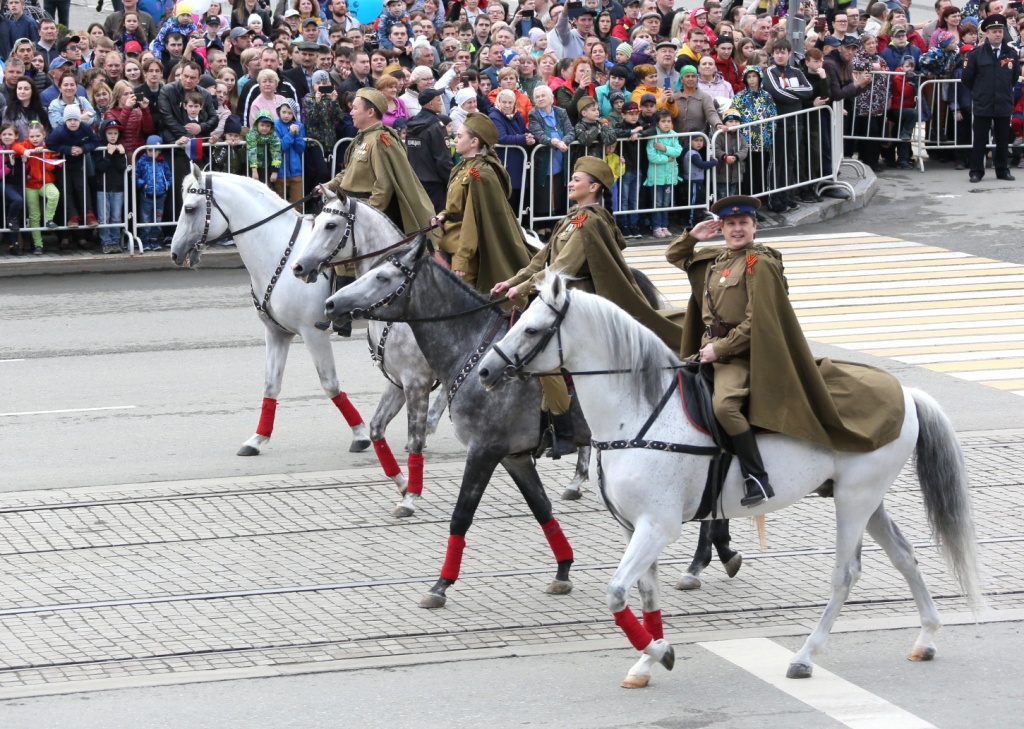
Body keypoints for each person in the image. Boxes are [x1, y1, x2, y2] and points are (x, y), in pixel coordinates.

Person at [492, 156, 684, 456]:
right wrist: (512, 281)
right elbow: (541, 260)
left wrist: (523, 288)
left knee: (541, 356)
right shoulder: (571, 218)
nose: (570, 182)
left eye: (577, 179)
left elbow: (563, 266)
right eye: (571, 178)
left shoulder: (590, 221)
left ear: (594, 187)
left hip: (578, 301)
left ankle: (562, 427)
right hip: (556, 297)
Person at [431, 111, 534, 292]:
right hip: (450, 239)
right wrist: (443, 215)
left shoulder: (480, 174)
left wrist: (462, 259)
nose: (455, 138)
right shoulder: (464, 165)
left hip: (465, 249)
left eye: (460, 135)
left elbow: (472, 219)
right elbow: (456, 206)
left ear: (474, 142)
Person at [963, 13, 1020, 182]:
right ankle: (976, 171)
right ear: (986, 34)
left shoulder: (1011, 53)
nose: (997, 34)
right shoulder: (976, 54)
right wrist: (981, 91)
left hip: (1003, 102)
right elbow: (967, 78)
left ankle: (1002, 170)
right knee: (980, 140)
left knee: (1003, 139)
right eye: (994, 31)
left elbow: (1014, 77)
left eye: (1000, 31)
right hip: (983, 102)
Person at [13, 122, 61, 255]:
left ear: (44, 135)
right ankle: (38, 245)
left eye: (37, 136)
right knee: (34, 216)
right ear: (28, 136)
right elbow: (14, 145)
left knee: (54, 194)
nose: (35, 139)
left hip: (46, 182)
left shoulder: (48, 146)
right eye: (32, 136)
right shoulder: (27, 144)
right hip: (30, 185)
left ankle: (48, 219)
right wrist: (25, 151)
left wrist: (43, 154)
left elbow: (51, 167)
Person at [405, 88, 453, 212]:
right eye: (439, 100)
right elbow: (443, 159)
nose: (441, 103)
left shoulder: (411, 124)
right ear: (431, 103)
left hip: (416, 182)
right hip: (435, 183)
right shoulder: (436, 126)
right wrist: (451, 181)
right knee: (436, 222)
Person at [644, 107, 682, 238]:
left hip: (669, 176)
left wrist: (664, 148)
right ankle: (656, 226)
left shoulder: (674, 134)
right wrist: (667, 158)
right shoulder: (653, 137)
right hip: (656, 176)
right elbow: (652, 157)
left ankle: (665, 225)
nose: (667, 123)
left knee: (666, 203)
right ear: (657, 123)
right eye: (663, 121)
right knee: (657, 202)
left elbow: (677, 151)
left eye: (669, 121)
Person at [93, 118, 128, 254]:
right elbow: (100, 167)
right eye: (109, 133)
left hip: (118, 188)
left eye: (115, 133)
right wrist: (108, 154)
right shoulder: (100, 149)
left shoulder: (121, 149)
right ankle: (106, 241)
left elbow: (122, 168)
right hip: (102, 188)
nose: (113, 136)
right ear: (104, 134)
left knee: (116, 216)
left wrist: (121, 154)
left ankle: (115, 239)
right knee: (104, 216)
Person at [274, 101, 306, 204]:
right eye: (284, 112)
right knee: (279, 203)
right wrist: (291, 134)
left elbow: (300, 148)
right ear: (279, 112)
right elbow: (280, 147)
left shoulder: (299, 125)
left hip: (296, 170)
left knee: (298, 202)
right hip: (280, 171)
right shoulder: (276, 125)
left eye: (290, 113)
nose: (286, 115)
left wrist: (297, 135)